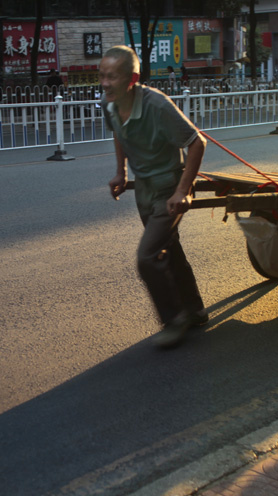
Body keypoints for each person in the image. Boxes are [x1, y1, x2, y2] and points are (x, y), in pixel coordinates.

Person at [99, 45, 208, 349]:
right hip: (144, 188)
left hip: (169, 187)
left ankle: (174, 319)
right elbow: (119, 132)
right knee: (169, 247)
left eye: (113, 77)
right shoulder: (108, 103)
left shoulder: (157, 105)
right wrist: (121, 172)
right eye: (102, 75)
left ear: (132, 78)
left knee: (147, 257)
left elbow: (196, 143)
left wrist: (183, 191)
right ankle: (196, 309)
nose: (105, 83)